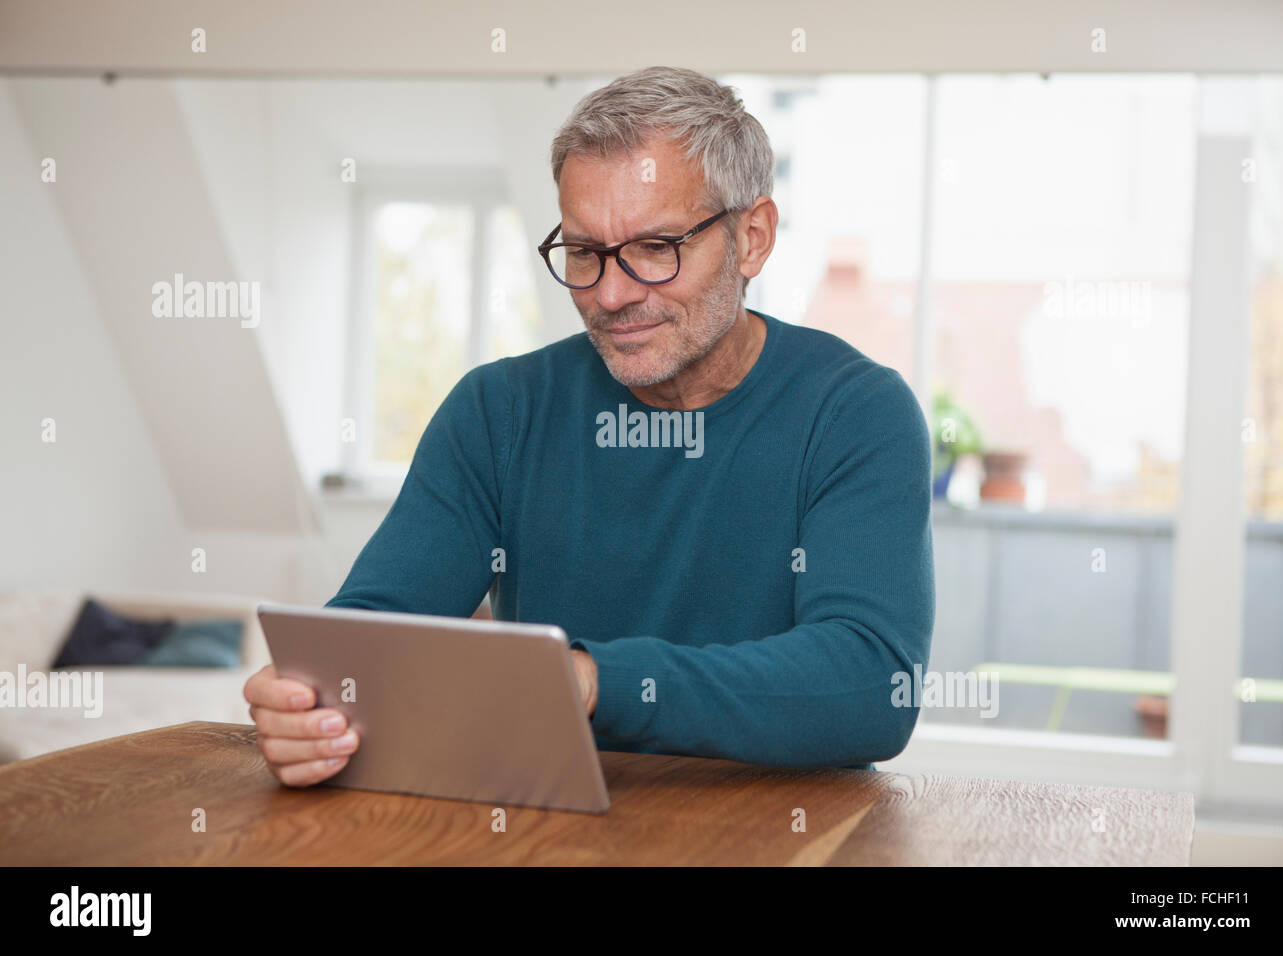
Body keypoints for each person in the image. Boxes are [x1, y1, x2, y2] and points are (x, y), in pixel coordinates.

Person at [244, 65, 935, 787]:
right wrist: (310, 705)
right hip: (549, 825)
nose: (610, 293)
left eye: (655, 249)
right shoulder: (499, 411)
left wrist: (599, 681)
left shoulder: (855, 413)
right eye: (584, 252)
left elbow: (868, 685)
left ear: (752, 238)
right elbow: (369, 638)